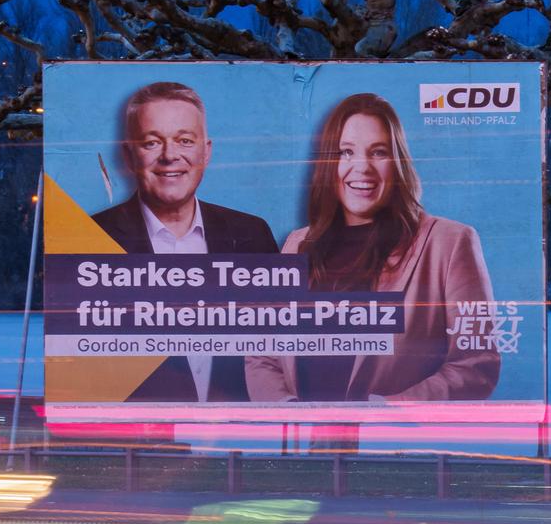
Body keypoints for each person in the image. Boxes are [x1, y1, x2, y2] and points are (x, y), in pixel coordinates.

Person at [246, 93, 501, 404]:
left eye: (378, 152)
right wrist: (290, 411)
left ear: (398, 163)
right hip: (307, 448)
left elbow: (475, 367)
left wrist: (387, 413)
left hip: (391, 448)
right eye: (346, 152)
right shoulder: (297, 244)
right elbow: (263, 357)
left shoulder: (449, 242)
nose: (361, 167)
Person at [91, 80, 279, 402]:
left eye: (184, 141)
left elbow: (278, 350)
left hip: (235, 440)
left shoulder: (252, 235)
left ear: (206, 151)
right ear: (128, 155)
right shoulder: (92, 240)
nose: (170, 156)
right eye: (152, 142)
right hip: (140, 444)